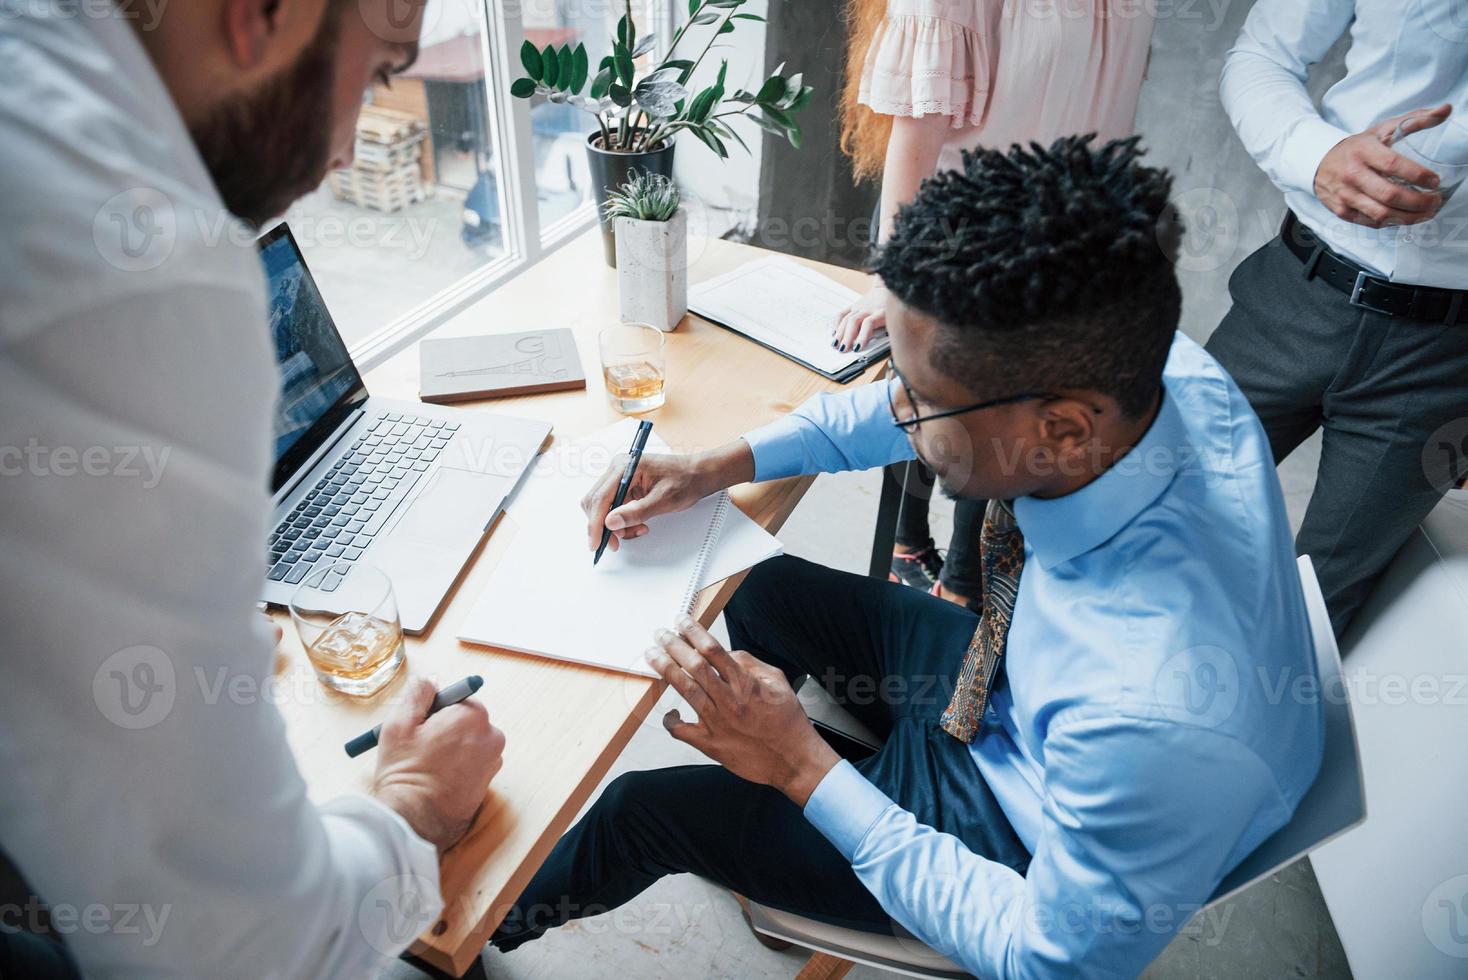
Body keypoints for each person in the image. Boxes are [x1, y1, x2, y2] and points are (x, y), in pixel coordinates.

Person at [488, 137, 1325, 977]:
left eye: (925, 402)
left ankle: (461, 944)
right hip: (1004, 690)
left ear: (1063, 427)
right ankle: (791, 808)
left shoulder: (1151, 712)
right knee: (759, 580)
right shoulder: (1152, 371)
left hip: (1011, 830)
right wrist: (715, 463)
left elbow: (1047, 961)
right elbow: (881, 412)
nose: (900, 419)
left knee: (638, 808)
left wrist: (801, 766)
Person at [0, 1, 504, 976]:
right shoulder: (137, 259)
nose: (351, 148)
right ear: (262, 16)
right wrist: (407, 804)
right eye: (379, 71)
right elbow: (240, 951)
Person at [834, 0, 1156, 604]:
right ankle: (918, 556)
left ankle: (959, 584)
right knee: (948, 413)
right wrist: (895, 275)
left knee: (1005, 423)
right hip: (953, 235)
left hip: (1060, 240)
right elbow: (919, 120)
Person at [1211, 0, 1468, 635]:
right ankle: (995, 714)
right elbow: (1262, 54)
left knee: (1310, 625)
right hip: (1295, 297)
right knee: (1129, 519)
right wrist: (1315, 154)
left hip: (1446, 363)